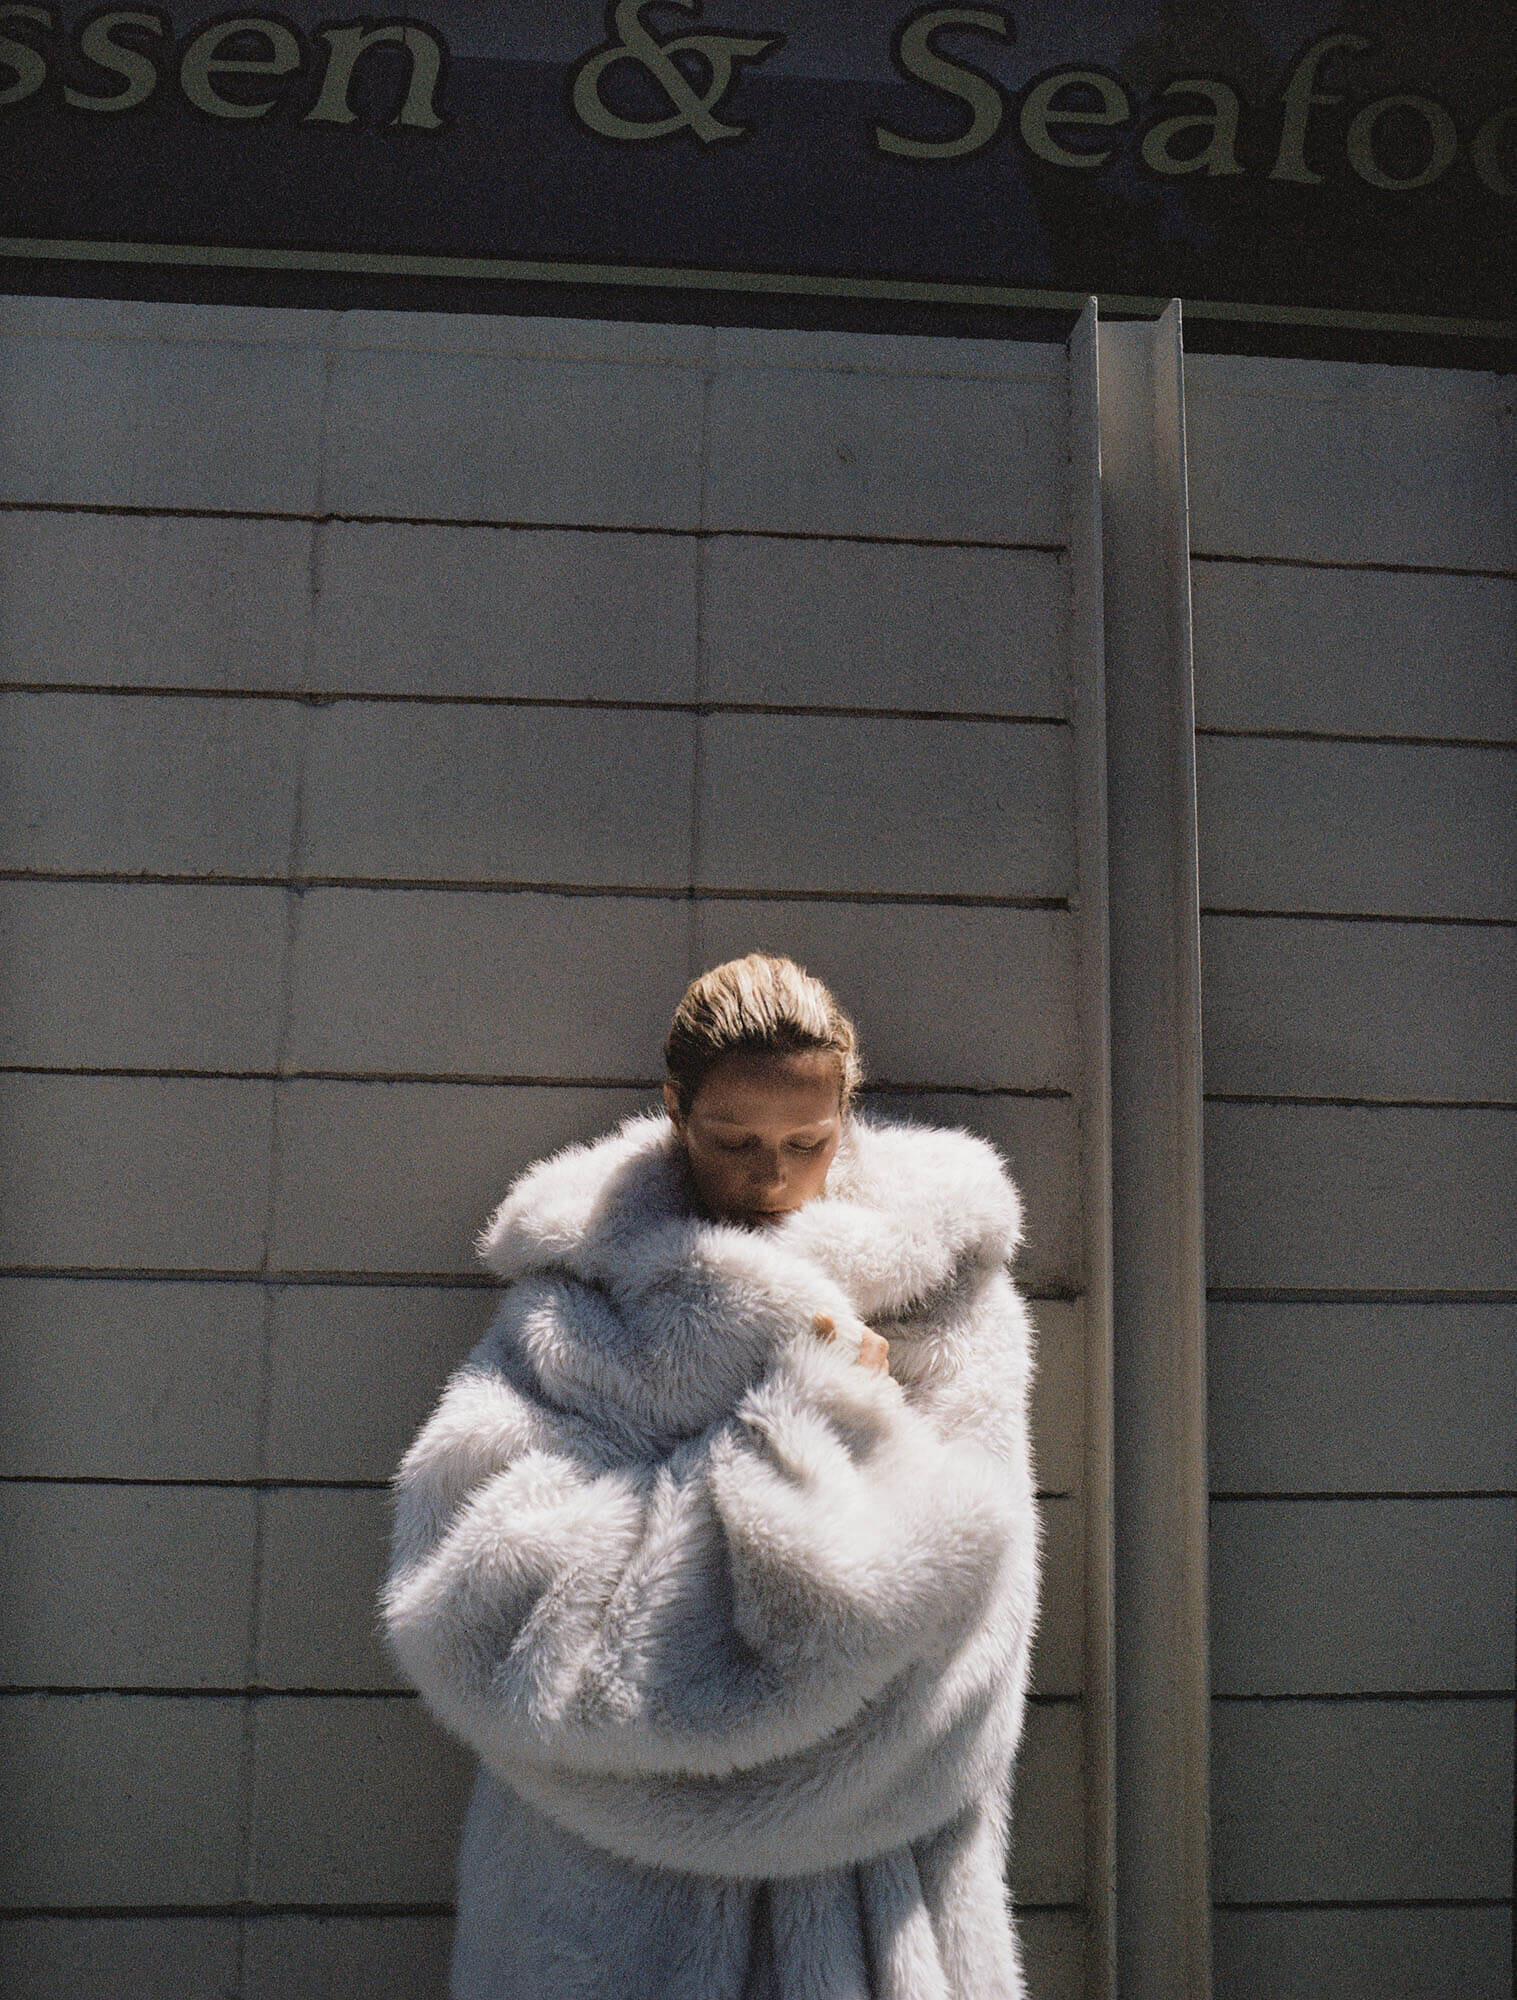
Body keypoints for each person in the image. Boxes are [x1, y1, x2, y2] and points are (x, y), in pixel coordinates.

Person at [382, 953, 1042, 1999]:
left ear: (845, 1115)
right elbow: (472, 1614)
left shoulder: (943, 1305)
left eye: (804, 1142)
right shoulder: (573, 1308)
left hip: (865, 1918)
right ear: (674, 1111)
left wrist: (657, 1750)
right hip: (598, 1922)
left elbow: (954, 1655)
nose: (769, 1177)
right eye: (733, 1141)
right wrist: (802, 1417)